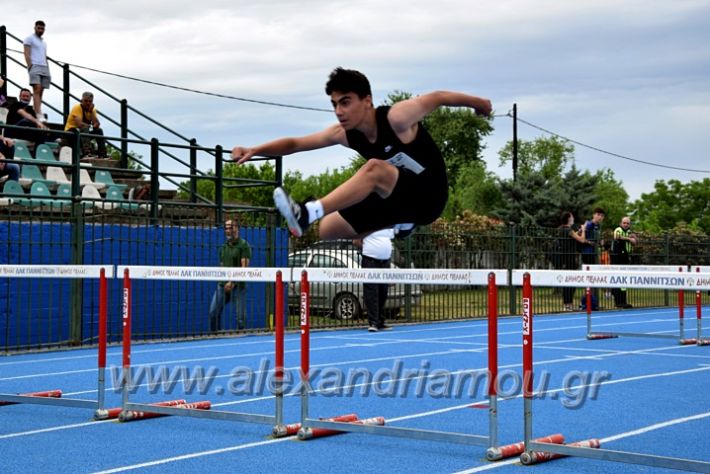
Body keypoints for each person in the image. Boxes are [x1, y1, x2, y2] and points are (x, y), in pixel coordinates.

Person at [231, 67, 492, 241]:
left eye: (345, 102)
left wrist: (478, 104)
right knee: (328, 229)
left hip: (430, 196)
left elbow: (438, 97)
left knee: (374, 169)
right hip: (397, 198)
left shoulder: (397, 118)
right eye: (334, 105)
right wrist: (256, 150)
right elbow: (296, 143)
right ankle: (398, 225)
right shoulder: (345, 134)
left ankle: (308, 212)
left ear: (367, 100)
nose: (339, 111)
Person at [208, 218, 252, 332]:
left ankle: (240, 341)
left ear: (237, 228)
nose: (227, 230)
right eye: (226, 228)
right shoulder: (223, 247)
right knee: (213, 313)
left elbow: (244, 268)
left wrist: (232, 281)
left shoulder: (244, 245)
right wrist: (224, 280)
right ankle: (215, 336)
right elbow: (222, 266)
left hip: (238, 286)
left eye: (230, 227)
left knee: (240, 319)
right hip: (222, 285)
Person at [354, 228, 395, 331]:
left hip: (385, 262)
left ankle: (380, 322)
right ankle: (373, 323)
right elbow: (356, 241)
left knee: (383, 291)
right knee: (372, 292)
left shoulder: (389, 225)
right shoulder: (367, 223)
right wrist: (370, 249)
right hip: (370, 261)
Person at [553, 212, 587, 311]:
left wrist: (579, 231)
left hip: (563, 258)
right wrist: (583, 230)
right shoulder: (569, 230)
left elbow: (572, 237)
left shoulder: (560, 229)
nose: (573, 219)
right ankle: (569, 304)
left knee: (566, 282)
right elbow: (581, 240)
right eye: (572, 217)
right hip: (570, 258)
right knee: (572, 282)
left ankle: (567, 304)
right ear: (568, 219)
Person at [64, 92, 108, 158]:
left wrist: (90, 113)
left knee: (99, 131)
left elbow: (97, 124)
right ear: (81, 101)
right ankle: (87, 153)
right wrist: (91, 126)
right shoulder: (77, 107)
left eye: (90, 101)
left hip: (83, 133)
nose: (88, 103)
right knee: (85, 127)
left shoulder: (92, 110)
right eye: (86, 101)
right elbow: (79, 124)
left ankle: (102, 154)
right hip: (71, 133)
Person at [23, 20, 50, 121]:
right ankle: (38, 113)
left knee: (41, 90)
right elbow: (26, 53)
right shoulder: (29, 39)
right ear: (35, 28)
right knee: (37, 89)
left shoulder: (44, 43)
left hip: (44, 66)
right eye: (39, 28)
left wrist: (47, 66)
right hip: (35, 66)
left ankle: (37, 109)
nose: (40, 30)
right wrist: (30, 66)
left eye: (42, 28)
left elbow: (44, 55)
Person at [611, 216, 637, 309]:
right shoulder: (618, 229)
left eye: (627, 223)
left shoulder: (630, 232)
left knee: (624, 279)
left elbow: (635, 241)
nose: (626, 224)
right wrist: (629, 239)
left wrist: (630, 239)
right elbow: (617, 237)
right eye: (624, 223)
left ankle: (623, 301)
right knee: (617, 278)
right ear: (620, 223)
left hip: (625, 257)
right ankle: (618, 301)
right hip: (617, 257)